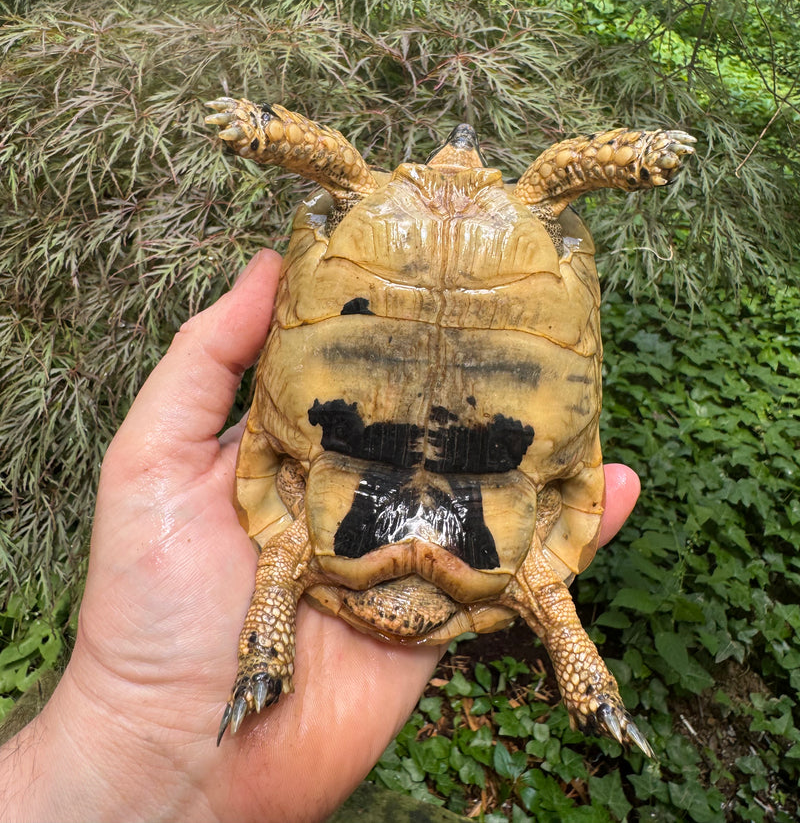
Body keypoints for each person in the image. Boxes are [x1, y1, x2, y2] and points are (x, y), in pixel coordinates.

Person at [0, 250, 641, 823]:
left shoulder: (300, 548)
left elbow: (276, 577)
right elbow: (561, 619)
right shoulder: (524, 575)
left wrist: (261, 659)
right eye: (413, 623)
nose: (401, 624)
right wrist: (592, 688)